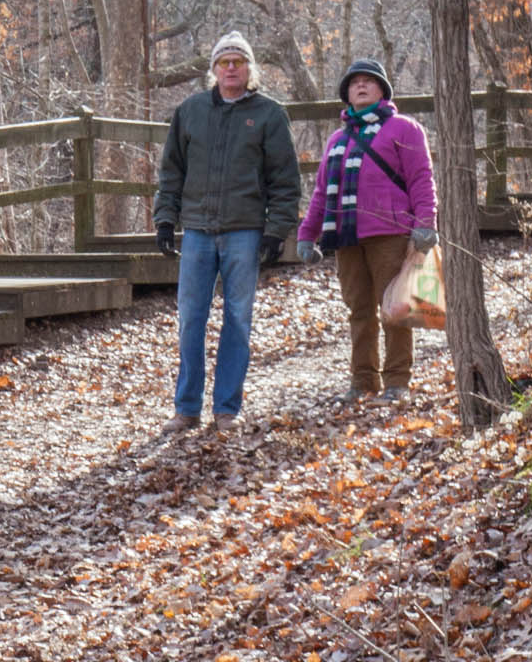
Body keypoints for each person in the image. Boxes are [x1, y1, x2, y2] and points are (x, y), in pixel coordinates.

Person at [153, 33, 302, 433]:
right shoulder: (191, 110)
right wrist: (165, 219)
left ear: (250, 69)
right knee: (191, 319)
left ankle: (227, 409)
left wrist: (276, 230)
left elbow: (285, 180)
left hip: (244, 230)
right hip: (198, 230)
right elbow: (171, 171)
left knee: (238, 319)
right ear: (214, 69)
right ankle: (186, 409)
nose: (231, 68)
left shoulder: (269, 114)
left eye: (238, 61)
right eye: (224, 62)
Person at [296, 58, 438, 401]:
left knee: (395, 309)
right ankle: (362, 381)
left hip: (390, 231)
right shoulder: (336, 140)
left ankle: (397, 382)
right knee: (359, 311)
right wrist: (306, 234)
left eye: (369, 81)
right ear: (346, 93)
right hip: (345, 236)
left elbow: (421, 179)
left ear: (382, 91)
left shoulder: (404, 128)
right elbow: (319, 193)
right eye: (354, 82)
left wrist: (425, 222)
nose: (360, 85)